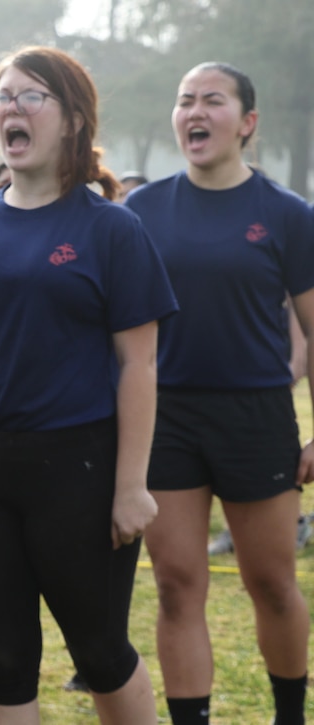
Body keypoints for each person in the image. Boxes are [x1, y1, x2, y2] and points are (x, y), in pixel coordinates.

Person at [0, 46, 176, 724]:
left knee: (99, 649)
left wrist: (132, 485)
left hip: (82, 467)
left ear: (73, 120)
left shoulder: (111, 228)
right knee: (3, 658)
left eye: (31, 95)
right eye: (1, 96)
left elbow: (139, 366)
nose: (11, 107)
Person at [125, 62, 313, 725]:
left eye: (211, 100)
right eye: (183, 101)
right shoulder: (139, 211)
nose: (194, 112)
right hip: (165, 415)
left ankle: (290, 713)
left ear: (247, 123)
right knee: (178, 587)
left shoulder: (289, 215)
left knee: (271, 583)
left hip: (256, 414)